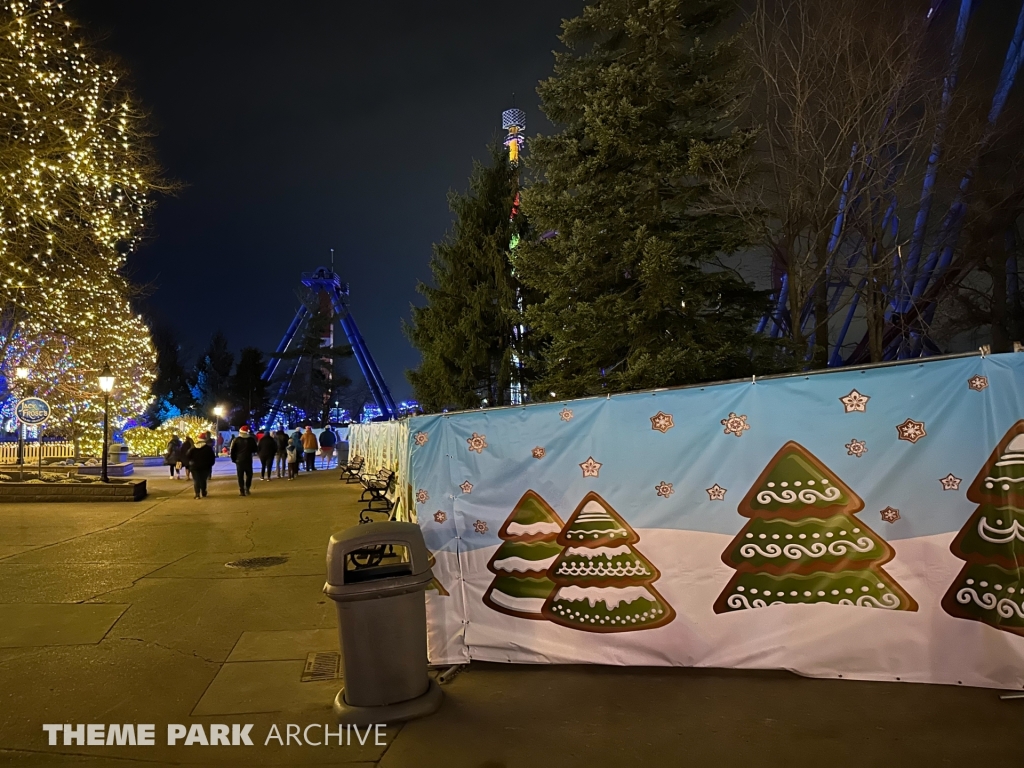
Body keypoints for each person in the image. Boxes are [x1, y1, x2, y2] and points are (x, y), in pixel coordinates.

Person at [187, 432, 216, 499]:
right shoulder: (208, 448)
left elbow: (188, 456)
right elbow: (212, 458)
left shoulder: (193, 448)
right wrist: (210, 465)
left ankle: (197, 494)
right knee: (203, 480)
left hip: (194, 466)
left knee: (196, 480)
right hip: (205, 466)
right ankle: (203, 492)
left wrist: (190, 463)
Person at [229, 425, 257, 496]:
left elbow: (232, 451)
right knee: (249, 475)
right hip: (248, 460)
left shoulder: (236, 440)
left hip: (239, 460)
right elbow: (255, 449)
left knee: (240, 476)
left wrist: (233, 459)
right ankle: (247, 488)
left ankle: (242, 490)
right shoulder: (251, 440)